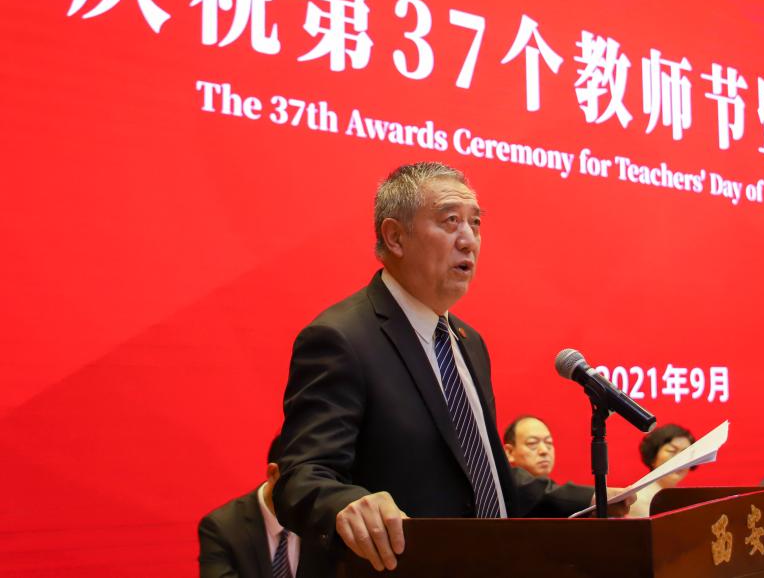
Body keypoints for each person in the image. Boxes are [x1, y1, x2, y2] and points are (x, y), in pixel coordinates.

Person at [272, 162, 625, 574]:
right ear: (395, 237)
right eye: (450, 221)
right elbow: (300, 477)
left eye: (475, 223)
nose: (469, 240)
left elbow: (483, 474)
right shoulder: (342, 338)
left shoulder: (468, 341)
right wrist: (345, 503)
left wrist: (591, 500)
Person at [199, 435, 311, 578]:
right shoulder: (222, 528)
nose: (314, 488)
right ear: (273, 473)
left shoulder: (324, 520)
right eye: (305, 478)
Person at [627, 424, 695, 518]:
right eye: (671, 451)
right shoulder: (637, 499)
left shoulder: (687, 500)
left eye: (686, 452)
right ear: (653, 456)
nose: (680, 459)